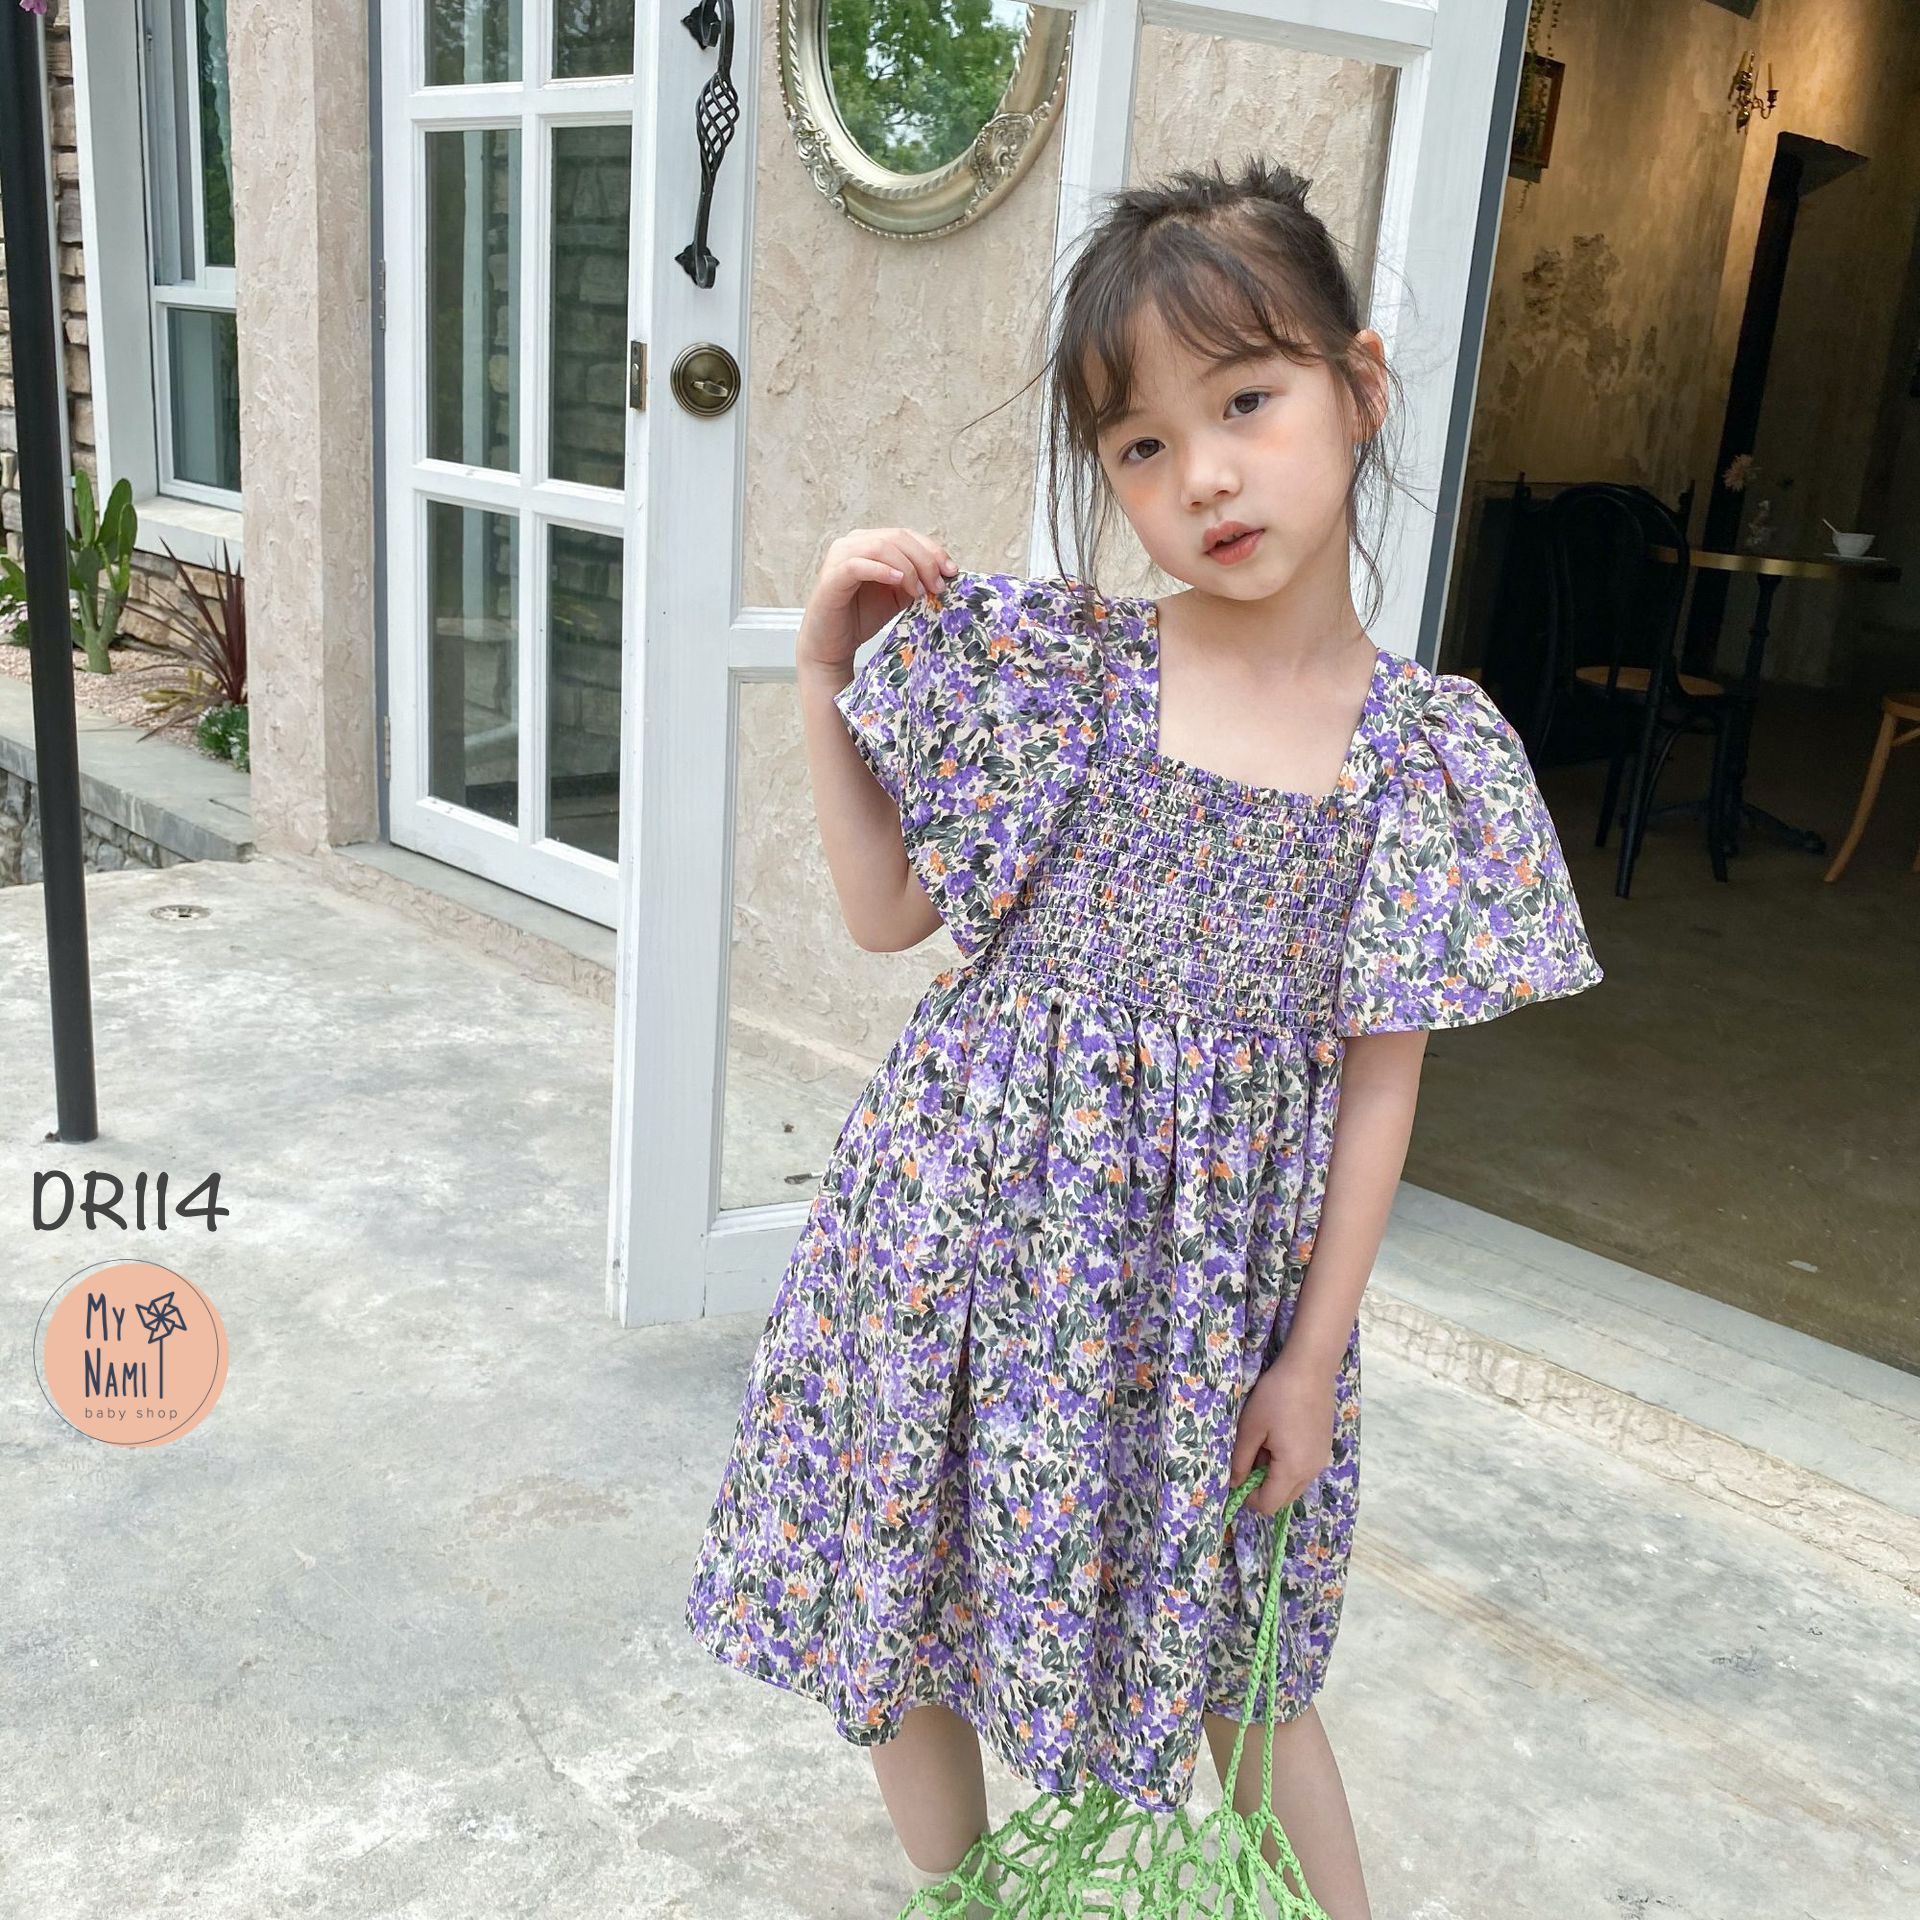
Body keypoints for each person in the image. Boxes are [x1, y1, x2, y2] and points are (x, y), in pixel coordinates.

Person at [682, 155, 1604, 1919]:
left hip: (1210, 1306)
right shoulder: (1065, 674)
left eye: (1246, 401)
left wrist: (1308, 1363)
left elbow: (1381, 1087)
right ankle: (970, 1898)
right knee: (904, 1595)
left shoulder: (1427, 753)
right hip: (949, 1242)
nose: (1205, 477)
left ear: (1360, 386)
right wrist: (821, 679)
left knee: (1246, 1657)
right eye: (1141, 446)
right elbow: (888, 917)